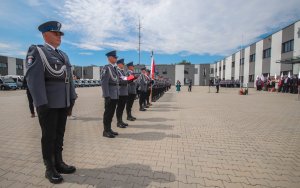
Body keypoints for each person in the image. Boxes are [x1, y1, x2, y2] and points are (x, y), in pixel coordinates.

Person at [25, 21, 77, 184]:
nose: (59, 37)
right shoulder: (38, 51)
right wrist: (41, 103)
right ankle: (49, 168)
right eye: (55, 33)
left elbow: (68, 80)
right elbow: (33, 79)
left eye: (60, 34)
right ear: (45, 34)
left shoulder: (63, 55)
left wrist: (71, 99)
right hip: (48, 104)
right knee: (48, 136)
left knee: (59, 134)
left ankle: (59, 163)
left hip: (62, 102)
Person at [101, 50, 119, 138]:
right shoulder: (106, 68)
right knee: (108, 113)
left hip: (114, 94)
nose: (116, 59)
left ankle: (109, 129)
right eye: (114, 57)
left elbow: (116, 82)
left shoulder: (114, 68)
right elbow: (104, 83)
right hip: (109, 95)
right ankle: (105, 131)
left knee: (111, 113)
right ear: (109, 58)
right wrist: (106, 95)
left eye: (116, 57)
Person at [115, 59, 128, 128]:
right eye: (123, 64)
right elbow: (119, 80)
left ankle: (121, 121)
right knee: (119, 108)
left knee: (122, 107)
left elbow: (125, 79)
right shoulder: (117, 71)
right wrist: (127, 80)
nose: (123, 65)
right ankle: (118, 122)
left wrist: (128, 80)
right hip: (120, 92)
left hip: (124, 92)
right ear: (119, 64)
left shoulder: (122, 72)